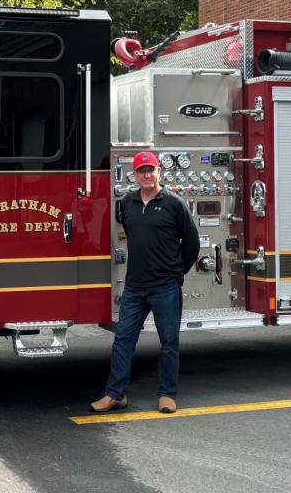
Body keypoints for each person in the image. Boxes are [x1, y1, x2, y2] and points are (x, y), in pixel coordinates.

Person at [91, 151, 199, 414]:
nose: (147, 175)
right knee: (123, 340)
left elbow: (192, 244)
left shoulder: (174, 203)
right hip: (135, 287)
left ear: (159, 171)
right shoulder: (128, 203)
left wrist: (176, 273)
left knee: (169, 342)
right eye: (142, 171)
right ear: (135, 175)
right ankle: (115, 394)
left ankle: (167, 394)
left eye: (151, 169)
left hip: (165, 286)